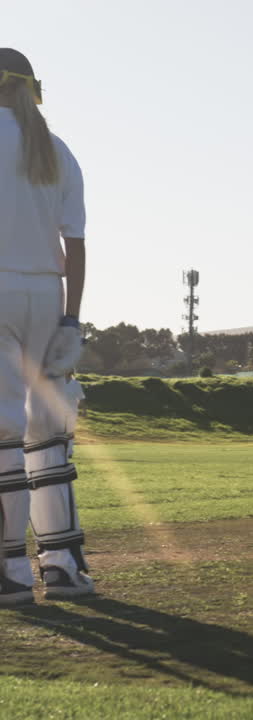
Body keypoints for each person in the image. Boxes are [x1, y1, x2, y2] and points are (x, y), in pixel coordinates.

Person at [0, 49, 93, 604]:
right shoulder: (56, 150)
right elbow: (74, 246)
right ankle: (60, 565)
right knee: (47, 430)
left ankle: (9, 571)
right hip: (45, 293)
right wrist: (72, 319)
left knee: (4, 430)